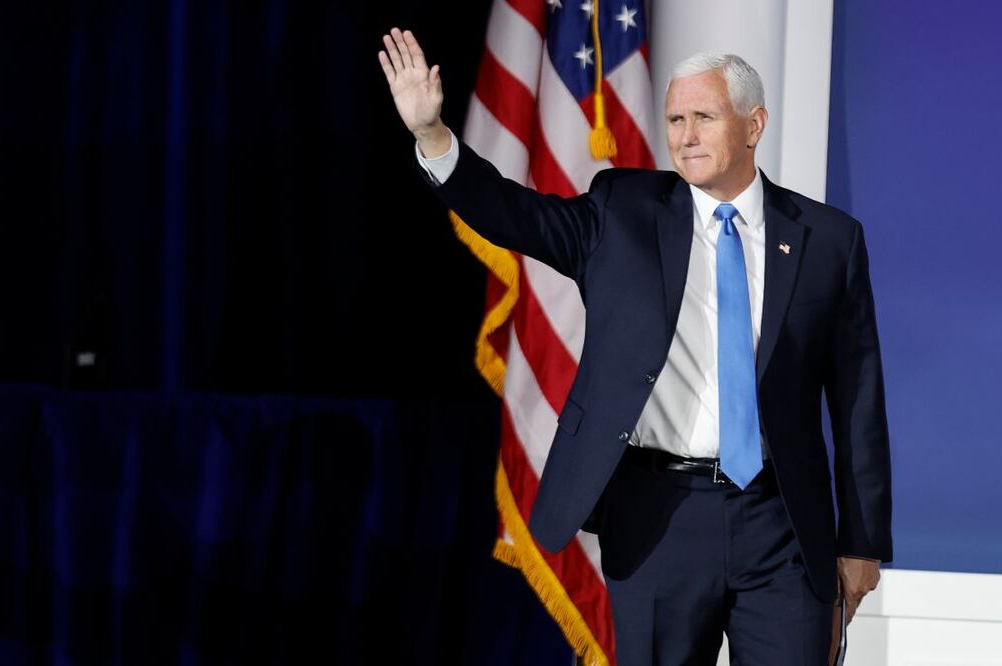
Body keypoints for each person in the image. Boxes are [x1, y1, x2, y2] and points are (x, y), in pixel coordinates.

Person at [379, 26, 891, 665]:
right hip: (658, 517)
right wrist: (433, 137)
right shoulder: (622, 210)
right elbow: (516, 214)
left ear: (754, 124)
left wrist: (862, 543)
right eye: (676, 118)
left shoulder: (828, 240)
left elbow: (858, 402)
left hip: (781, 524)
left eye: (704, 116)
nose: (685, 134)